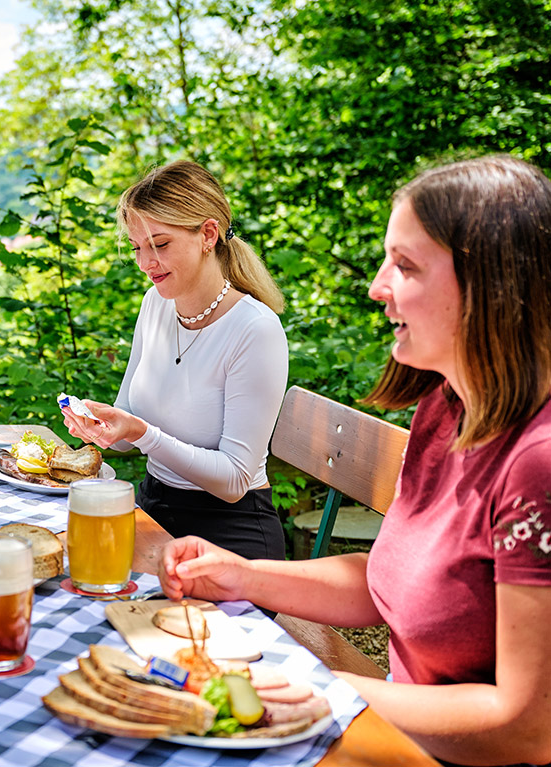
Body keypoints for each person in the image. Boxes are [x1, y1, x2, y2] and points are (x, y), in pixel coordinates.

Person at [159, 155, 551, 766]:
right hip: (394, 735)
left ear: (492, 287)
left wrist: (322, 689)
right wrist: (240, 574)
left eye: (406, 265)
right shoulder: (445, 406)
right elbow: (386, 584)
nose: (377, 285)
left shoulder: (538, 463)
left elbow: (528, 727)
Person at [62, 161, 288, 560]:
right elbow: (129, 414)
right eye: (137, 248)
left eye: (160, 245)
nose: (145, 263)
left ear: (208, 234)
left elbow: (235, 479)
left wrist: (141, 432)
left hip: (230, 538)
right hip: (155, 516)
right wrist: (104, 426)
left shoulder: (255, 330)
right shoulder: (156, 304)